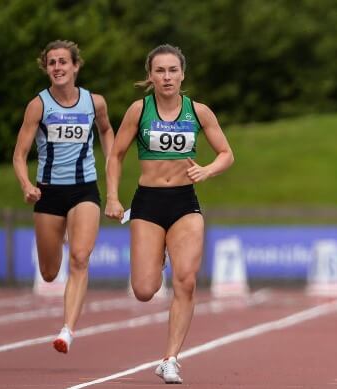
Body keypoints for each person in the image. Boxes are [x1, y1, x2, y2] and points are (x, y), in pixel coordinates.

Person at [104, 44, 234, 384]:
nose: (166, 77)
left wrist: (207, 170)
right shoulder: (139, 110)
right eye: (160, 71)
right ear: (150, 76)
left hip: (184, 203)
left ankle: (170, 358)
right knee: (145, 289)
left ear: (182, 75)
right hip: (147, 202)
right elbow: (115, 155)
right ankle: (157, 251)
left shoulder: (198, 111)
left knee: (186, 281)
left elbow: (226, 154)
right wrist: (113, 197)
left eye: (172, 70)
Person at [12, 40, 115, 354]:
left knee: (80, 259)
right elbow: (19, 154)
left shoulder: (94, 102)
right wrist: (26, 185)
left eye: (63, 62)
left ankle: (67, 330)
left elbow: (107, 131)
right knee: (49, 271)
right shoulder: (39, 106)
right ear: (47, 68)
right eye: (52, 63)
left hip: (85, 188)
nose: (57, 67)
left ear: (75, 66)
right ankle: (64, 232)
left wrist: (111, 171)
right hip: (49, 191)